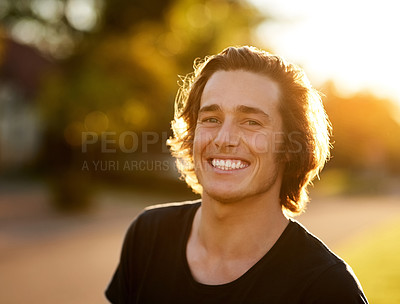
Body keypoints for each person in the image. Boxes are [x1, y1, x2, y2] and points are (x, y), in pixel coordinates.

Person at [105, 46, 368, 303]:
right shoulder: (148, 236)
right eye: (211, 119)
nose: (224, 138)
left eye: (251, 122)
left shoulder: (328, 289)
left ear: (290, 145)